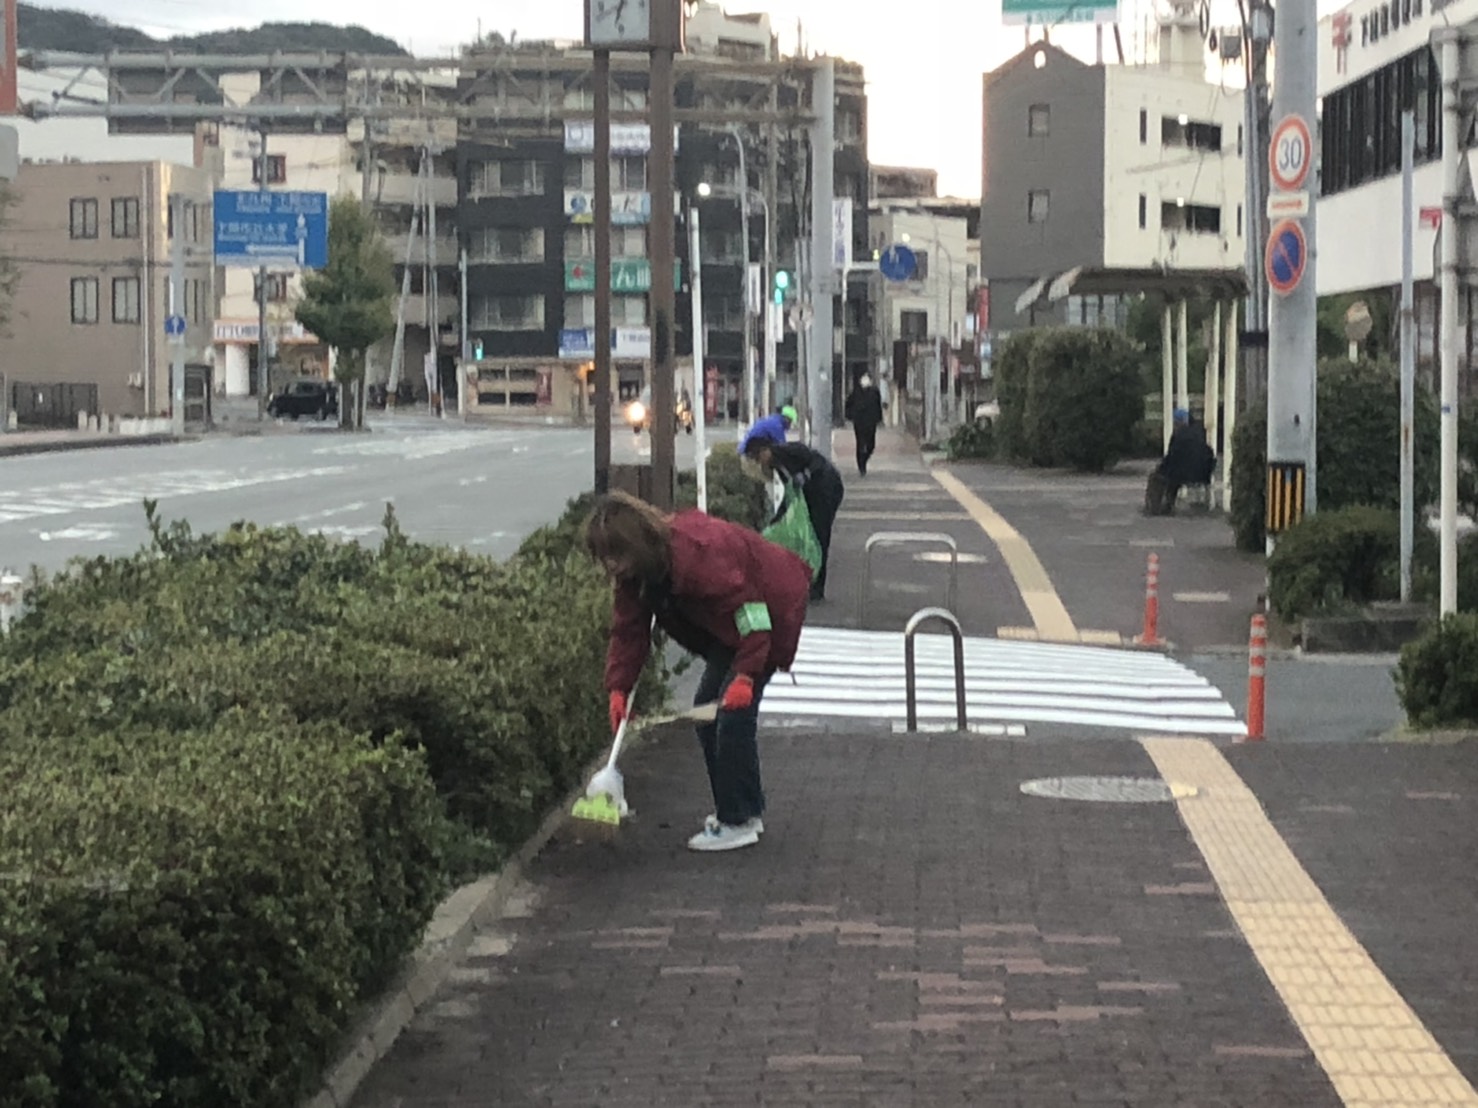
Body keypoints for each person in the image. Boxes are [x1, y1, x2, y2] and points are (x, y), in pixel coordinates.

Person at [585, 491, 811, 852]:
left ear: (637, 544)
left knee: (732, 719)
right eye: (604, 558)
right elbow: (629, 631)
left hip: (771, 609)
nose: (611, 566)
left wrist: (746, 676)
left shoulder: (698, 556)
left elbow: (751, 613)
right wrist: (619, 688)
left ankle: (737, 821)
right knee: (709, 712)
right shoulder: (637, 574)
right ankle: (742, 811)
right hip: (729, 628)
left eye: (616, 555)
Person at [740, 422, 845, 601]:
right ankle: (810, 580)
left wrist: (806, 473)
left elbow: (818, 460)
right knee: (809, 536)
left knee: (820, 535)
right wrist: (776, 519)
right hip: (811, 493)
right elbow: (789, 494)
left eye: (758, 457)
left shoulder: (789, 450)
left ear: (765, 450)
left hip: (827, 487)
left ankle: (818, 587)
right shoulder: (777, 466)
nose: (759, 462)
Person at [1152, 408, 1216, 514]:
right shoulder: (1200, 432)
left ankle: (1167, 505)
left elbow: (1171, 457)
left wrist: (1161, 468)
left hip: (1181, 474)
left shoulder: (1178, 436)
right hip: (1203, 474)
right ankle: (1206, 503)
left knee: (1171, 477)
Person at [843, 373, 885, 476]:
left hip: (871, 421)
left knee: (871, 444)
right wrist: (850, 415)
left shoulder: (874, 392)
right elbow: (848, 404)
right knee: (860, 443)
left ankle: (865, 457)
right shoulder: (856, 392)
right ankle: (861, 465)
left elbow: (878, 405)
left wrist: (879, 419)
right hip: (859, 421)